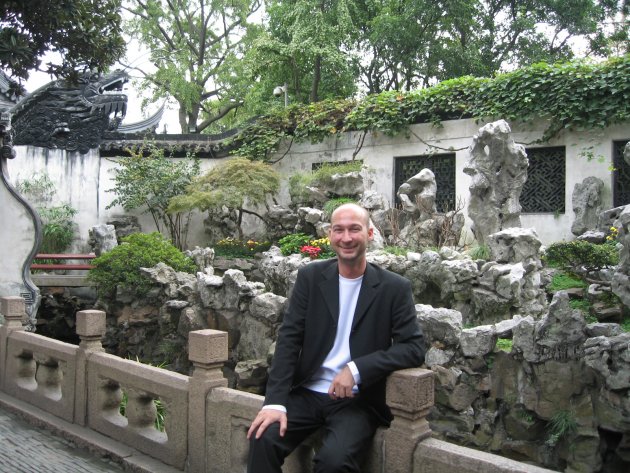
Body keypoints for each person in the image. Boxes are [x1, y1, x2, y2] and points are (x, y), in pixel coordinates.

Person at [247, 203, 425, 473]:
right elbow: (289, 340)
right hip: (307, 392)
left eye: (355, 229)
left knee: (334, 462)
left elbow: (413, 348)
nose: (346, 238)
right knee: (262, 437)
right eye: (339, 230)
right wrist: (274, 402)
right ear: (330, 234)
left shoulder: (394, 288)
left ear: (370, 234)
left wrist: (357, 369)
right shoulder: (311, 277)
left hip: (357, 402)